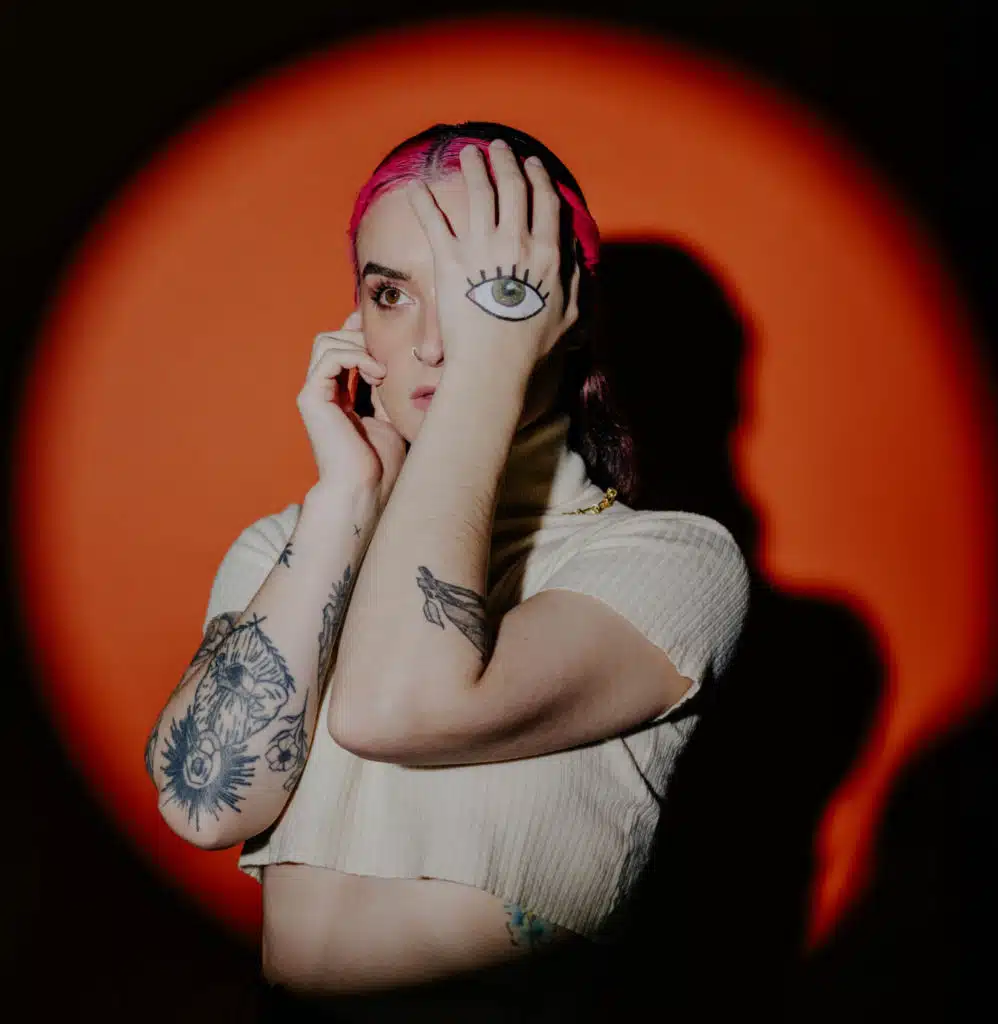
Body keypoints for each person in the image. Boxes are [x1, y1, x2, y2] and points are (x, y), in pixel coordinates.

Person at [145, 121, 751, 1016]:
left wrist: (488, 370)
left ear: (567, 315)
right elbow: (203, 806)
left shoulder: (670, 562)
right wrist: (345, 501)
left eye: (486, 290)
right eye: (392, 293)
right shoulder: (296, 546)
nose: (433, 342)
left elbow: (395, 710)